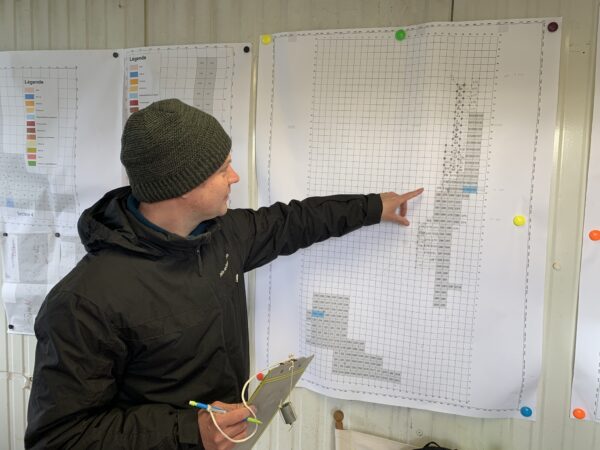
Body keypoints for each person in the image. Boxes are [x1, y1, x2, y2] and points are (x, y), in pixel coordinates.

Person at [24, 99, 423, 450]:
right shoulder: (84, 301)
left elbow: (293, 222)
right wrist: (189, 431)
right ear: (180, 187)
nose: (234, 178)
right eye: (222, 169)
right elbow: (60, 438)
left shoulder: (221, 235)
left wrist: (372, 207)